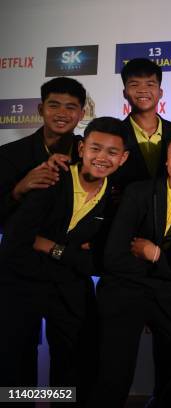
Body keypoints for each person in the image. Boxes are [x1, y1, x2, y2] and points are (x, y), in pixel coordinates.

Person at [0, 117, 129, 407]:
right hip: (20, 281)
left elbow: (100, 260)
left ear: (123, 158)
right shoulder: (51, 178)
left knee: (76, 364)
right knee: (15, 363)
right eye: (95, 148)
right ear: (81, 148)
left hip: (70, 285)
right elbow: (17, 238)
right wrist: (73, 253)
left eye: (112, 152)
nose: (102, 158)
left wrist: (53, 248)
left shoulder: (116, 200)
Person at [89, 124, 171, 407]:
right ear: (166, 159)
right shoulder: (138, 192)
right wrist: (168, 268)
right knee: (112, 376)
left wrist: (154, 254)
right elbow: (114, 256)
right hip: (126, 290)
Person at [0, 77, 85, 227]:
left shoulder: (90, 155)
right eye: (54, 106)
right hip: (23, 246)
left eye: (70, 107)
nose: (61, 113)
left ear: (82, 114)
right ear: (40, 109)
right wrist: (18, 191)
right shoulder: (8, 155)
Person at [112, 58, 171, 193]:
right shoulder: (113, 135)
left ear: (160, 92)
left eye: (150, 84)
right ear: (124, 93)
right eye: (135, 85)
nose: (143, 90)